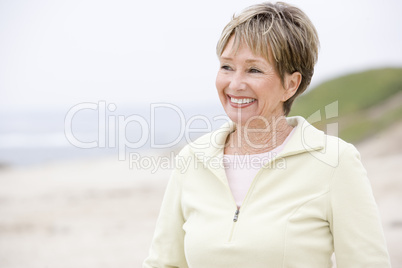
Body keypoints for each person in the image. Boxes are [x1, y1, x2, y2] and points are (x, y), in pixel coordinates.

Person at [143, 2, 391, 267]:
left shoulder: (335, 161)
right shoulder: (192, 159)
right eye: (227, 66)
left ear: (291, 84)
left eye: (254, 70)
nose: (235, 84)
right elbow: (163, 263)